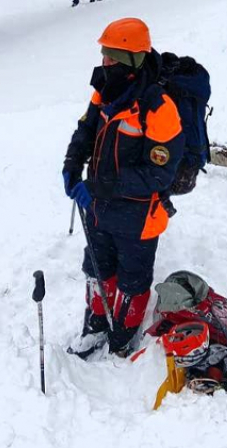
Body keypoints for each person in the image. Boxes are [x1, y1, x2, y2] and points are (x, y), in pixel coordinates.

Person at [63, 18, 185, 358]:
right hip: (99, 208)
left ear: (132, 60)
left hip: (139, 216)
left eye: (112, 57)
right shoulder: (105, 89)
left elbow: (160, 174)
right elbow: (86, 129)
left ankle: (123, 334)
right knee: (97, 269)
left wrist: (101, 186)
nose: (105, 63)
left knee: (132, 280)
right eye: (104, 55)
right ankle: (96, 325)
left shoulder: (159, 108)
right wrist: (72, 165)